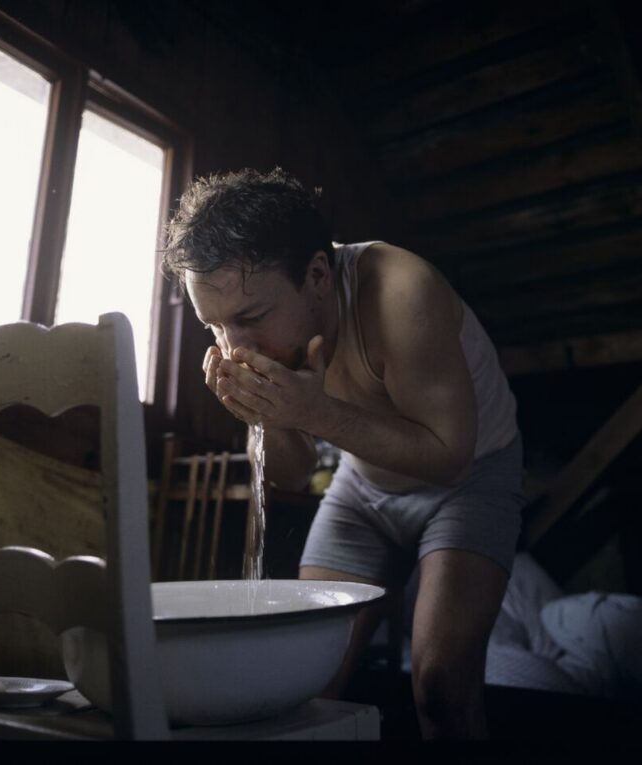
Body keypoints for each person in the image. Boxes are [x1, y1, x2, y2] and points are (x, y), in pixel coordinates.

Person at [161, 167, 525, 740]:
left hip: (471, 478)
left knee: (440, 685)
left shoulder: (402, 292)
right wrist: (264, 415)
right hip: (362, 486)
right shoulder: (253, 337)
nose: (236, 348)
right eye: (216, 327)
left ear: (317, 275)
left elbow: (450, 456)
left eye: (251, 318)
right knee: (303, 682)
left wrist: (313, 413)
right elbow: (294, 471)